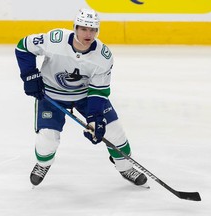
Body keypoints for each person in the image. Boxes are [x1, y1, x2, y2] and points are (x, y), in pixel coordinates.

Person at [15, 8, 148, 187]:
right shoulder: (55, 39)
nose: (88, 34)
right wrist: (30, 75)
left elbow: (98, 92)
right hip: (51, 95)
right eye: (84, 28)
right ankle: (43, 164)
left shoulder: (103, 56)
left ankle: (125, 167)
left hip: (85, 96)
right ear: (75, 28)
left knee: (114, 130)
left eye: (93, 30)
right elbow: (23, 47)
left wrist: (95, 118)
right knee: (47, 139)